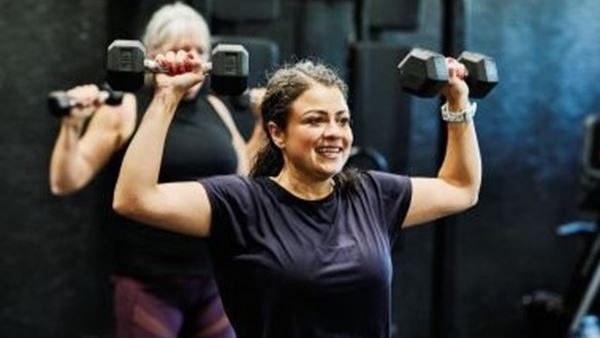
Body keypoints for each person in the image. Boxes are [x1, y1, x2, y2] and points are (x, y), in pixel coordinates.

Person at [113, 51, 481, 337]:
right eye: (315, 120)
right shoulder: (242, 203)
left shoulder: (371, 194)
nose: (334, 132)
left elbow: (461, 188)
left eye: (342, 119)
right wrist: (168, 96)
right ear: (277, 134)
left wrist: (457, 101)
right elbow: (134, 198)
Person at [49, 2, 265, 337]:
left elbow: (244, 174)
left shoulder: (215, 108)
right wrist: (71, 126)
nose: (190, 57)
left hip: (214, 277)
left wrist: (264, 125)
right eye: (179, 50)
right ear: (151, 56)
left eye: (198, 50)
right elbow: (66, 181)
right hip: (149, 282)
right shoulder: (125, 109)